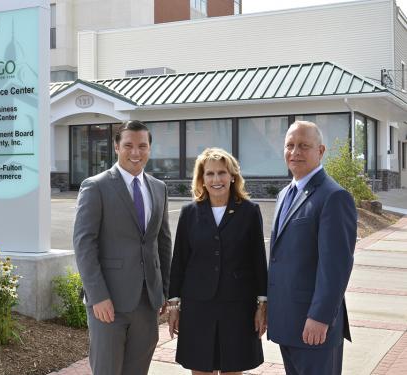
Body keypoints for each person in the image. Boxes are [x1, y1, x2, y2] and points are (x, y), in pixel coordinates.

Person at [73, 120, 172, 375]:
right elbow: (84, 244)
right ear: (116, 147)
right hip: (108, 303)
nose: (135, 152)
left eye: (142, 146)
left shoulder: (159, 188)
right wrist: (98, 296)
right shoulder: (95, 186)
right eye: (128, 145)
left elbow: (163, 242)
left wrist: (164, 290)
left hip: (147, 302)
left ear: (149, 149)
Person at [267, 121, 357, 375]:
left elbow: (335, 267)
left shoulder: (333, 196)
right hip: (288, 322)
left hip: (314, 327)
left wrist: (320, 317)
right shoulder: (285, 193)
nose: (295, 152)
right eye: (290, 145)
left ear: (321, 150)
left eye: (304, 146)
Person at [168, 147, 268, 375]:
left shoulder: (250, 212)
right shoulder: (189, 213)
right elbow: (179, 262)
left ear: (233, 176)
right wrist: (174, 305)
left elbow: (258, 261)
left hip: (238, 307)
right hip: (197, 307)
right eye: (210, 173)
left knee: (233, 369)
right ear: (202, 179)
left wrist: (262, 304)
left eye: (222, 172)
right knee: (200, 368)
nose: (216, 179)